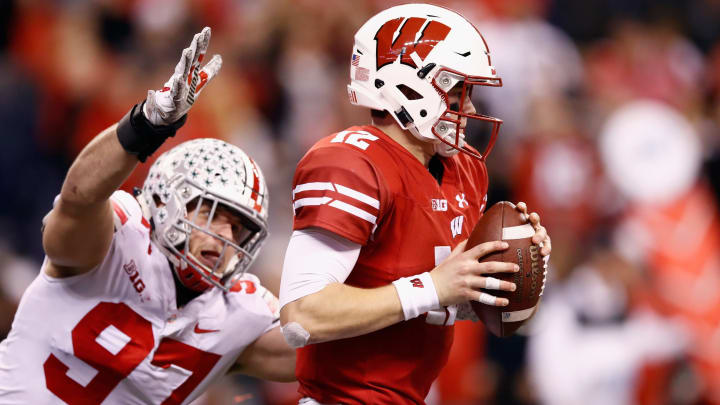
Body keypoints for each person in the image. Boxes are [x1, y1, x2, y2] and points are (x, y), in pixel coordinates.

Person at [0, 27, 295, 404]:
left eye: (239, 228)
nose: (226, 236)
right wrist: (145, 125)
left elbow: (324, 354)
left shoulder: (238, 313)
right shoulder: (118, 237)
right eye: (210, 213)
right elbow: (78, 199)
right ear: (166, 201)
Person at [279, 4, 551, 405]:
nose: (470, 109)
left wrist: (500, 275)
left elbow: (435, 304)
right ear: (407, 88)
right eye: (458, 91)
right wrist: (435, 285)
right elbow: (303, 316)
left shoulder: (466, 171)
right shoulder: (352, 163)